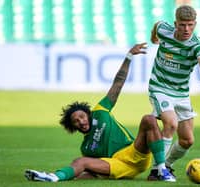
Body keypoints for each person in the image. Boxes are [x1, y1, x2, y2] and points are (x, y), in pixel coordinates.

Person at [24, 43, 176, 182]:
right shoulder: (86, 148)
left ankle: (160, 170)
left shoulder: (101, 110)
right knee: (80, 161)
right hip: (117, 165)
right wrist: (75, 176)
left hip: (135, 152)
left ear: (88, 114)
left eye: (82, 117)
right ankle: (52, 177)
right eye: (76, 121)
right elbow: (93, 171)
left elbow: (118, 82)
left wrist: (129, 57)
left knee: (149, 119)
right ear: (73, 127)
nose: (81, 122)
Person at [147, 5, 200, 180]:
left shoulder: (197, 44)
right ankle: (158, 170)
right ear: (176, 23)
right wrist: (153, 37)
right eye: (183, 25)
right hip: (159, 87)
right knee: (170, 123)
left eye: (190, 25)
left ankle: (166, 164)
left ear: (195, 24)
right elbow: (157, 26)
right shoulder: (164, 30)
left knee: (187, 140)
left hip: (181, 94)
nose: (186, 29)